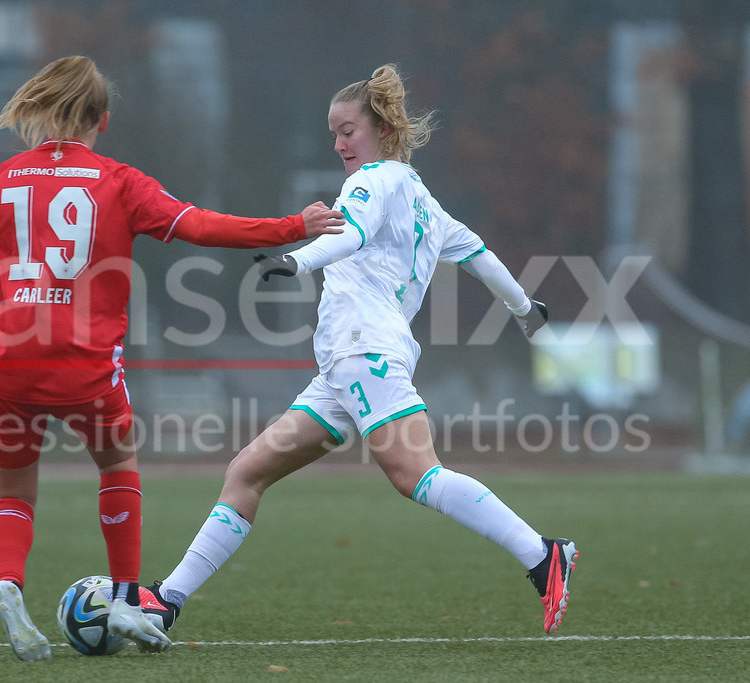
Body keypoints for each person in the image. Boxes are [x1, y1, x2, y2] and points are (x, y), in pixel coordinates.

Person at [0, 55, 344, 660]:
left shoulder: (3, 178)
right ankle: (123, 599)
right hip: (81, 362)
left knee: (12, 494)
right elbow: (202, 227)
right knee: (118, 469)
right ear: (102, 120)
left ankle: (9, 585)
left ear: (38, 111)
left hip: (5, 359)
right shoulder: (119, 181)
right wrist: (291, 225)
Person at [141, 64, 578, 638]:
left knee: (416, 475)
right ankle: (167, 601)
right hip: (343, 369)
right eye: (333, 134)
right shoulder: (423, 199)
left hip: (364, 353)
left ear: (380, 129)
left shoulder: (374, 180)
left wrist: (298, 260)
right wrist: (525, 309)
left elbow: (351, 233)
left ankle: (543, 555)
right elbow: (477, 252)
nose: (340, 143)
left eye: (347, 130)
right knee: (247, 471)